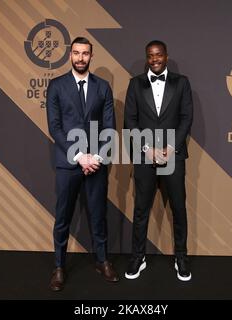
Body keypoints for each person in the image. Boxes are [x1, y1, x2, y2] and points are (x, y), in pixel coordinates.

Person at [46, 36, 119, 291]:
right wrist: (80, 156)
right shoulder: (56, 86)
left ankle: (102, 261)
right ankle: (58, 266)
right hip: (69, 163)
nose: (80, 58)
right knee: (63, 217)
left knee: (98, 216)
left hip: (96, 164)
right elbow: (55, 128)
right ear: (70, 55)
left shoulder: (103, 87)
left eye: (85, 53)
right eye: (76, 53)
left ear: (91, 55)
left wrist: (95, 158)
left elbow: (110, 127)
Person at [124, 40, 194, 281]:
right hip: (145, 157)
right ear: (147, 58)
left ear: (166, 56)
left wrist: (171, 147)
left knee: (178, 208)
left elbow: (186, 118)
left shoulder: (181, 82)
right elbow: (130, 122)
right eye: (150, 56)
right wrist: (147, 149)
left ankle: (181, 257)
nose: (155, 59)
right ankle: (137, 257)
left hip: (173, 155)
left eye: (159, 55)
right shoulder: (135, 84)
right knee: (141, 209)